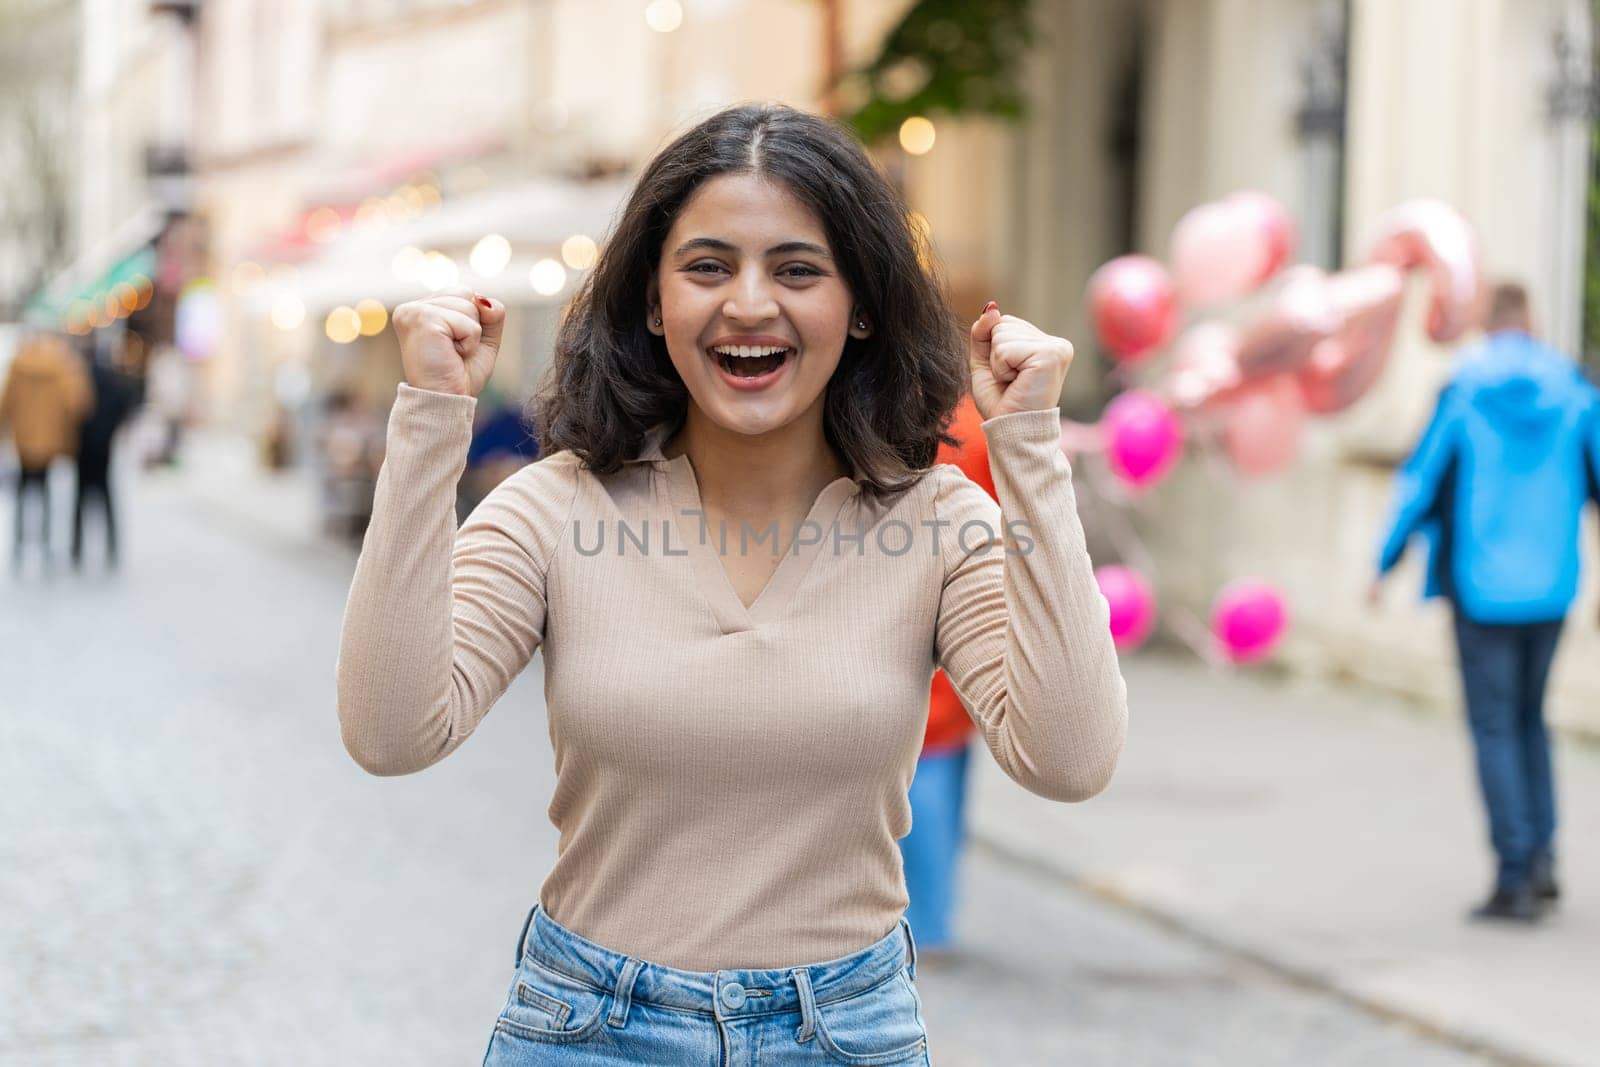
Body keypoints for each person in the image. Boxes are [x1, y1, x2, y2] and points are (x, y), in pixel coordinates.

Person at [336, 104, 1127, 1064]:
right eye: (708, 266)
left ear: (861, 304)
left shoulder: (938, 521)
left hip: (847, 1034)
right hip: (589, 1031)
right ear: (653, 301)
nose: (750, 303)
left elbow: (1070, 757)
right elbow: (390, 731)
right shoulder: (553, 510)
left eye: (798, 269)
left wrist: (1030, 447)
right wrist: (429, 421)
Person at [1373, 281, 1600, 924]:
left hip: (1483, 590)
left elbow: (1421, 480)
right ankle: (1545, 857)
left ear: (1489, 325)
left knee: (1496, 728)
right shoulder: (1575, 390)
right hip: (1554, 589)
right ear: (1532, 322)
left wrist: (1383, 563)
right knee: (1531, 720)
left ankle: (1515, 875)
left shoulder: (1464, 389)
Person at [899, 393, 992, 962]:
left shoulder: (909, 423)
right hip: (975, 609)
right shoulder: (981, 427)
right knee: (952, 757)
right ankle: (937, 913)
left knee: (922, 767)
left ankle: (925, 923)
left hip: (919, 609)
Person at [0, 332, 91, 572]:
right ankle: (46, 544)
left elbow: (4, 404)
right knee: (46, 495)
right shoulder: (60, 367)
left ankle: (18, 545)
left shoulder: (18, 367)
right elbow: (77, 404)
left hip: (23, 441)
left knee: (22, 494)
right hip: (51, 442)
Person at [73, 346, 138, 571]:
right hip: (102, 446)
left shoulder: (78, 379)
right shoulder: (110, 380)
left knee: (80, 500)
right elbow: (123, 404)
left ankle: (77, 549)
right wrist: (110, 429)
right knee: (105, 498)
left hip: (83, 446)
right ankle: (111, 546)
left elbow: (72, 409)